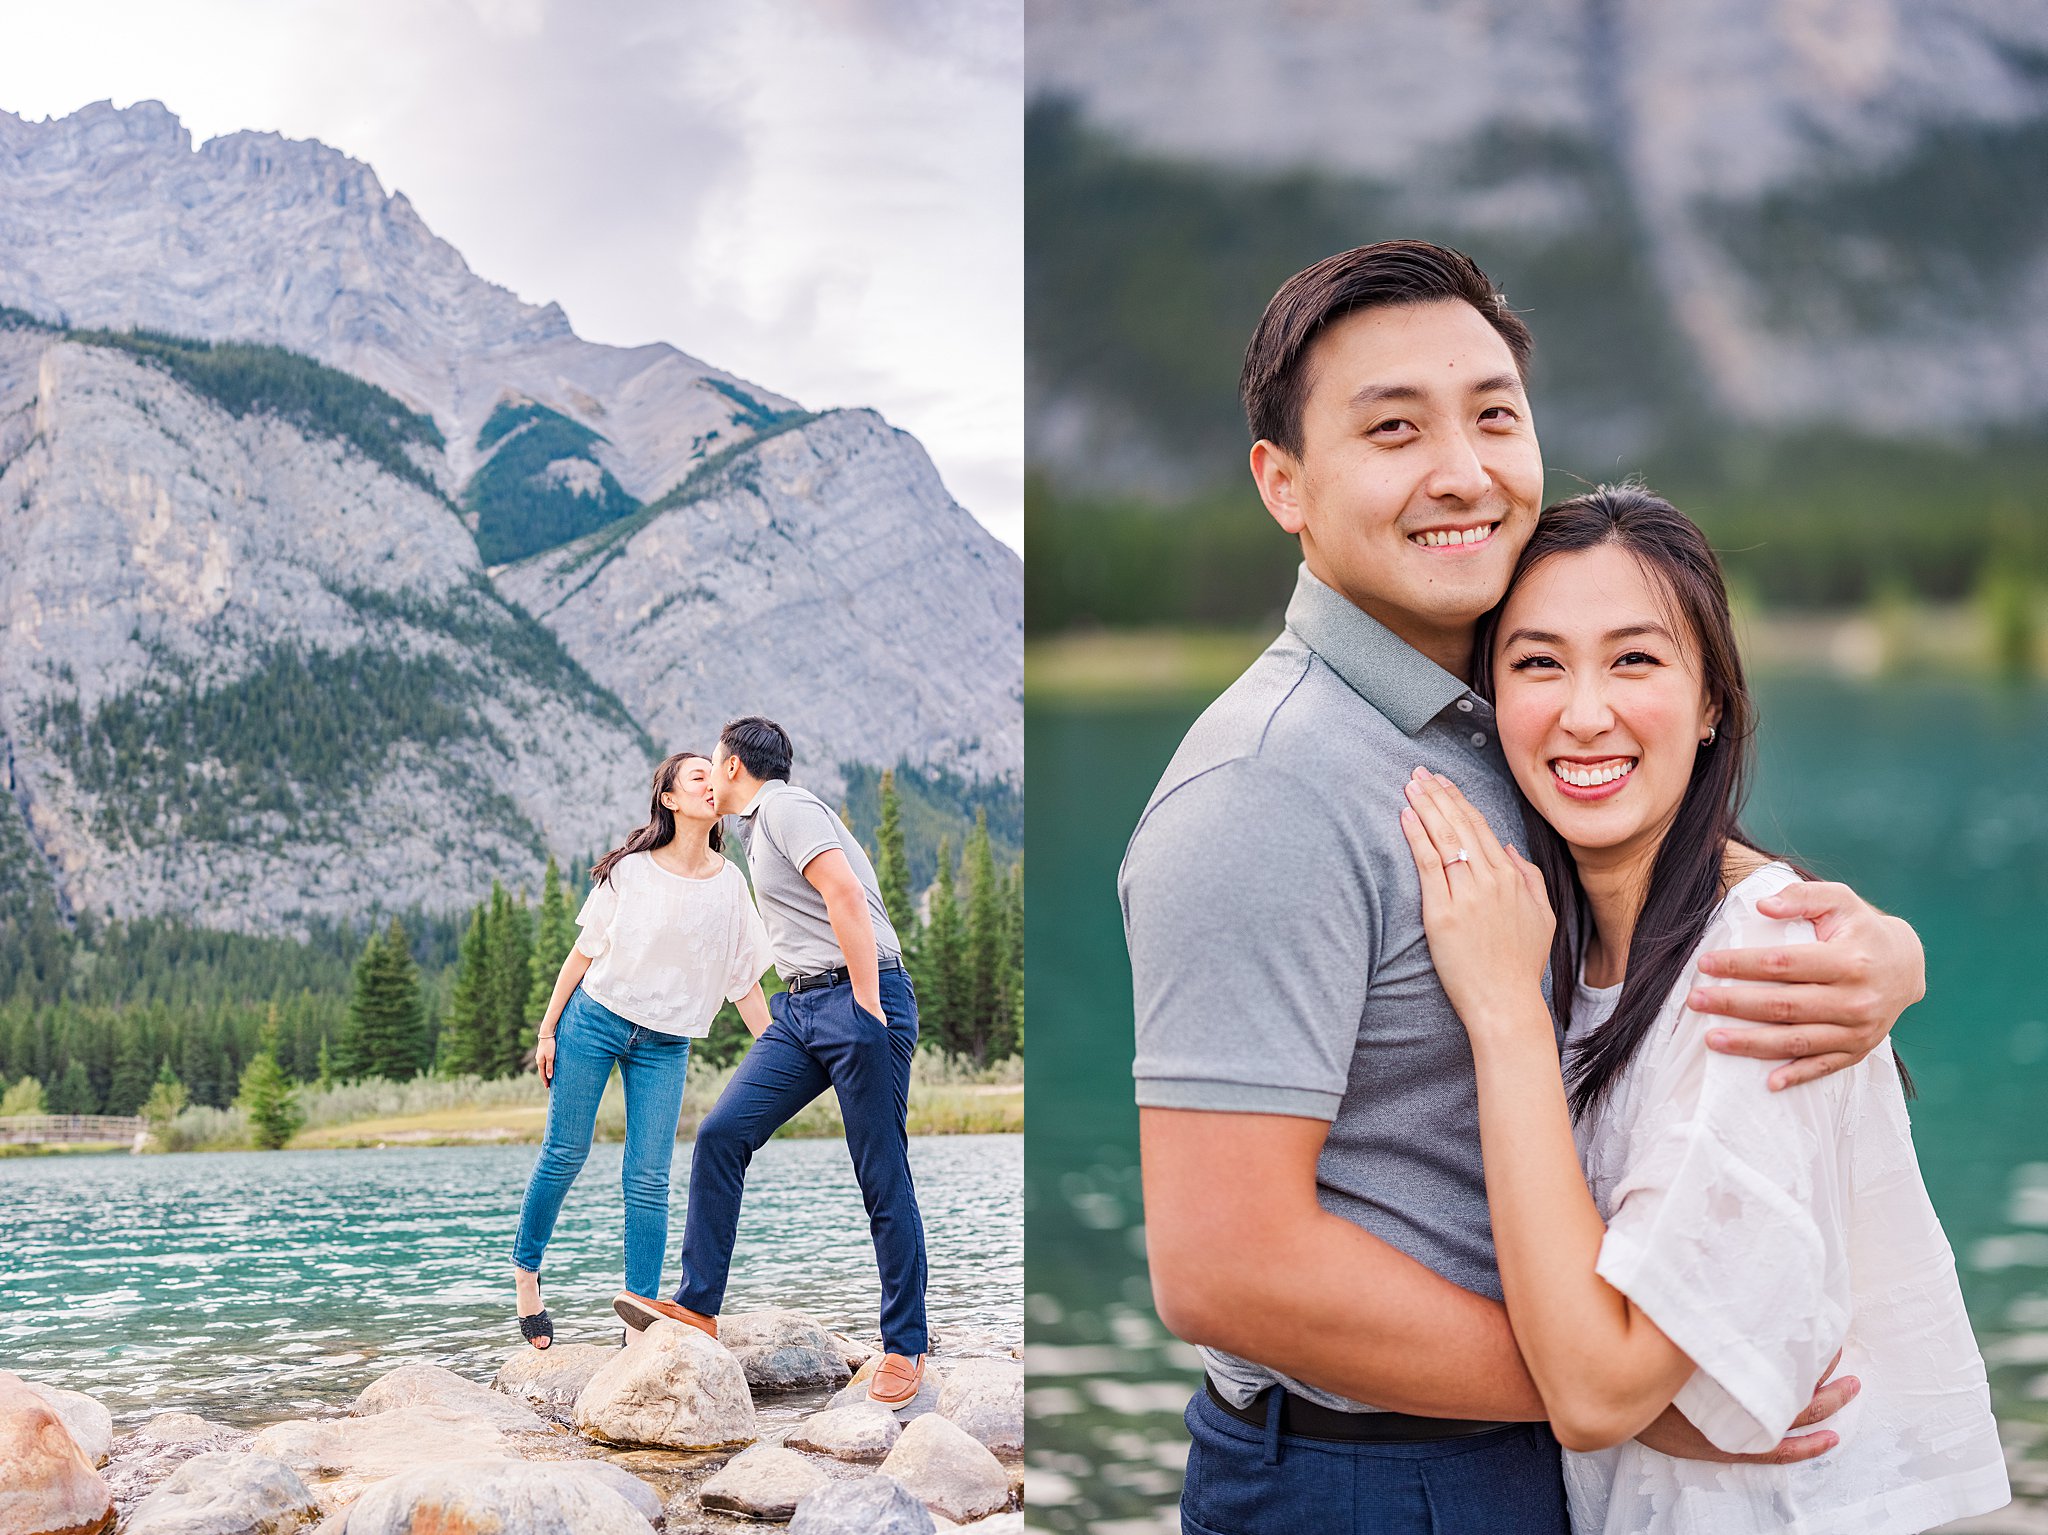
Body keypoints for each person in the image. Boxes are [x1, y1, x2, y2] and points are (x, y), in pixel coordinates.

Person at [1120, 242, 1931, 1534]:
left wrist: (1880, 948)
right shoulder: (1261, 792)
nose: (1463, 468)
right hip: (1371, 1477)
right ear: (1284, 482)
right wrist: (1610, 1391)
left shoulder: (1503, 699)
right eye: (1394, 428)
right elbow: (1226, 1268)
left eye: (1494, 414)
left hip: (1524, 1451)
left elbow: (1651, 871)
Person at [1397, 484, 2007, 1532]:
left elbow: (1595, 1388)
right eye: (1536, 662)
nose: (1583, 710)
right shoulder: (1570, 942)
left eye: (1633, 659)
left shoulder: (1758, 957)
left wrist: (1498, 1011)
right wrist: (1665, 1414)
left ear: (1712, 697)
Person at [612, 716, 930, 1406]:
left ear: (732, 766)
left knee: (881, 1170)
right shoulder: (761, 827)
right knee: (723, 1133)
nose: (708, 774)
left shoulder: (787, 806)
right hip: (802, 1009)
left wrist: (870, 1008)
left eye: (713, 762)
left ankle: (905, 1345)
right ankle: (697, 1304)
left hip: (859, 996)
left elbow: (844, 893)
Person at [511, 750, 774, 1349]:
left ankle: (640, 1320)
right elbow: (583, 953)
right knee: (565, 1151)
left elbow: (746, 984)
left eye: (715, 777)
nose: (712, 786)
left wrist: (784, 1052)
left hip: (665, 1043)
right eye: (697, 779)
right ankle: (527, 1272)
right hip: (594, 1021)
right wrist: (549, 1029)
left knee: (649, 1177)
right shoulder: (631, 871)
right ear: (671, 800)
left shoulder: (731, 886)